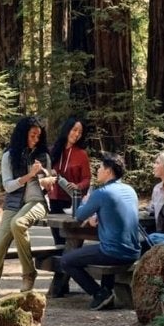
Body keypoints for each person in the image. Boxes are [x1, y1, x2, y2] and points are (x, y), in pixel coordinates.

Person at [0, 116, 58, 303]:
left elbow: (48, 185)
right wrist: (28, 175)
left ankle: (29, 273)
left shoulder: (43, 156)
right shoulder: (9, 156)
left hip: (37, 202)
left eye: (39, 136)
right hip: (13, 204)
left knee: (19, 223)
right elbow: (8, 186)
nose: (36, 139)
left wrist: (48, 183)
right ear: (23, 134)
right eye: (32, 135)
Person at [57, 152, 143, 310]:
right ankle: (107, 291)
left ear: (109, 171)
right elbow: (115, 211)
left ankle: (99, 293)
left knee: (66, 260)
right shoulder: (130, 190)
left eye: (100, 167)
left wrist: (86, 202)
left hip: (113, 252)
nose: (97, 170)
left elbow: (79, 215)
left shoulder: (102, 193)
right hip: (134, 251)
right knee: (105, 246)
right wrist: (97, 215)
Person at [45, 117, 91, 297]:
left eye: (79, 132)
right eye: (74, 130)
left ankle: (61, 283)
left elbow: (87, 178)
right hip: (55, 200)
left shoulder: (82, 154)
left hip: (73, 202)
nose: (76, 134)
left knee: (70, 241)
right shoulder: (53, 150)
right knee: (58, 242)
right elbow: (44, 172)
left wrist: (78, 186)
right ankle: (62, 284)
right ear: (67, 130)